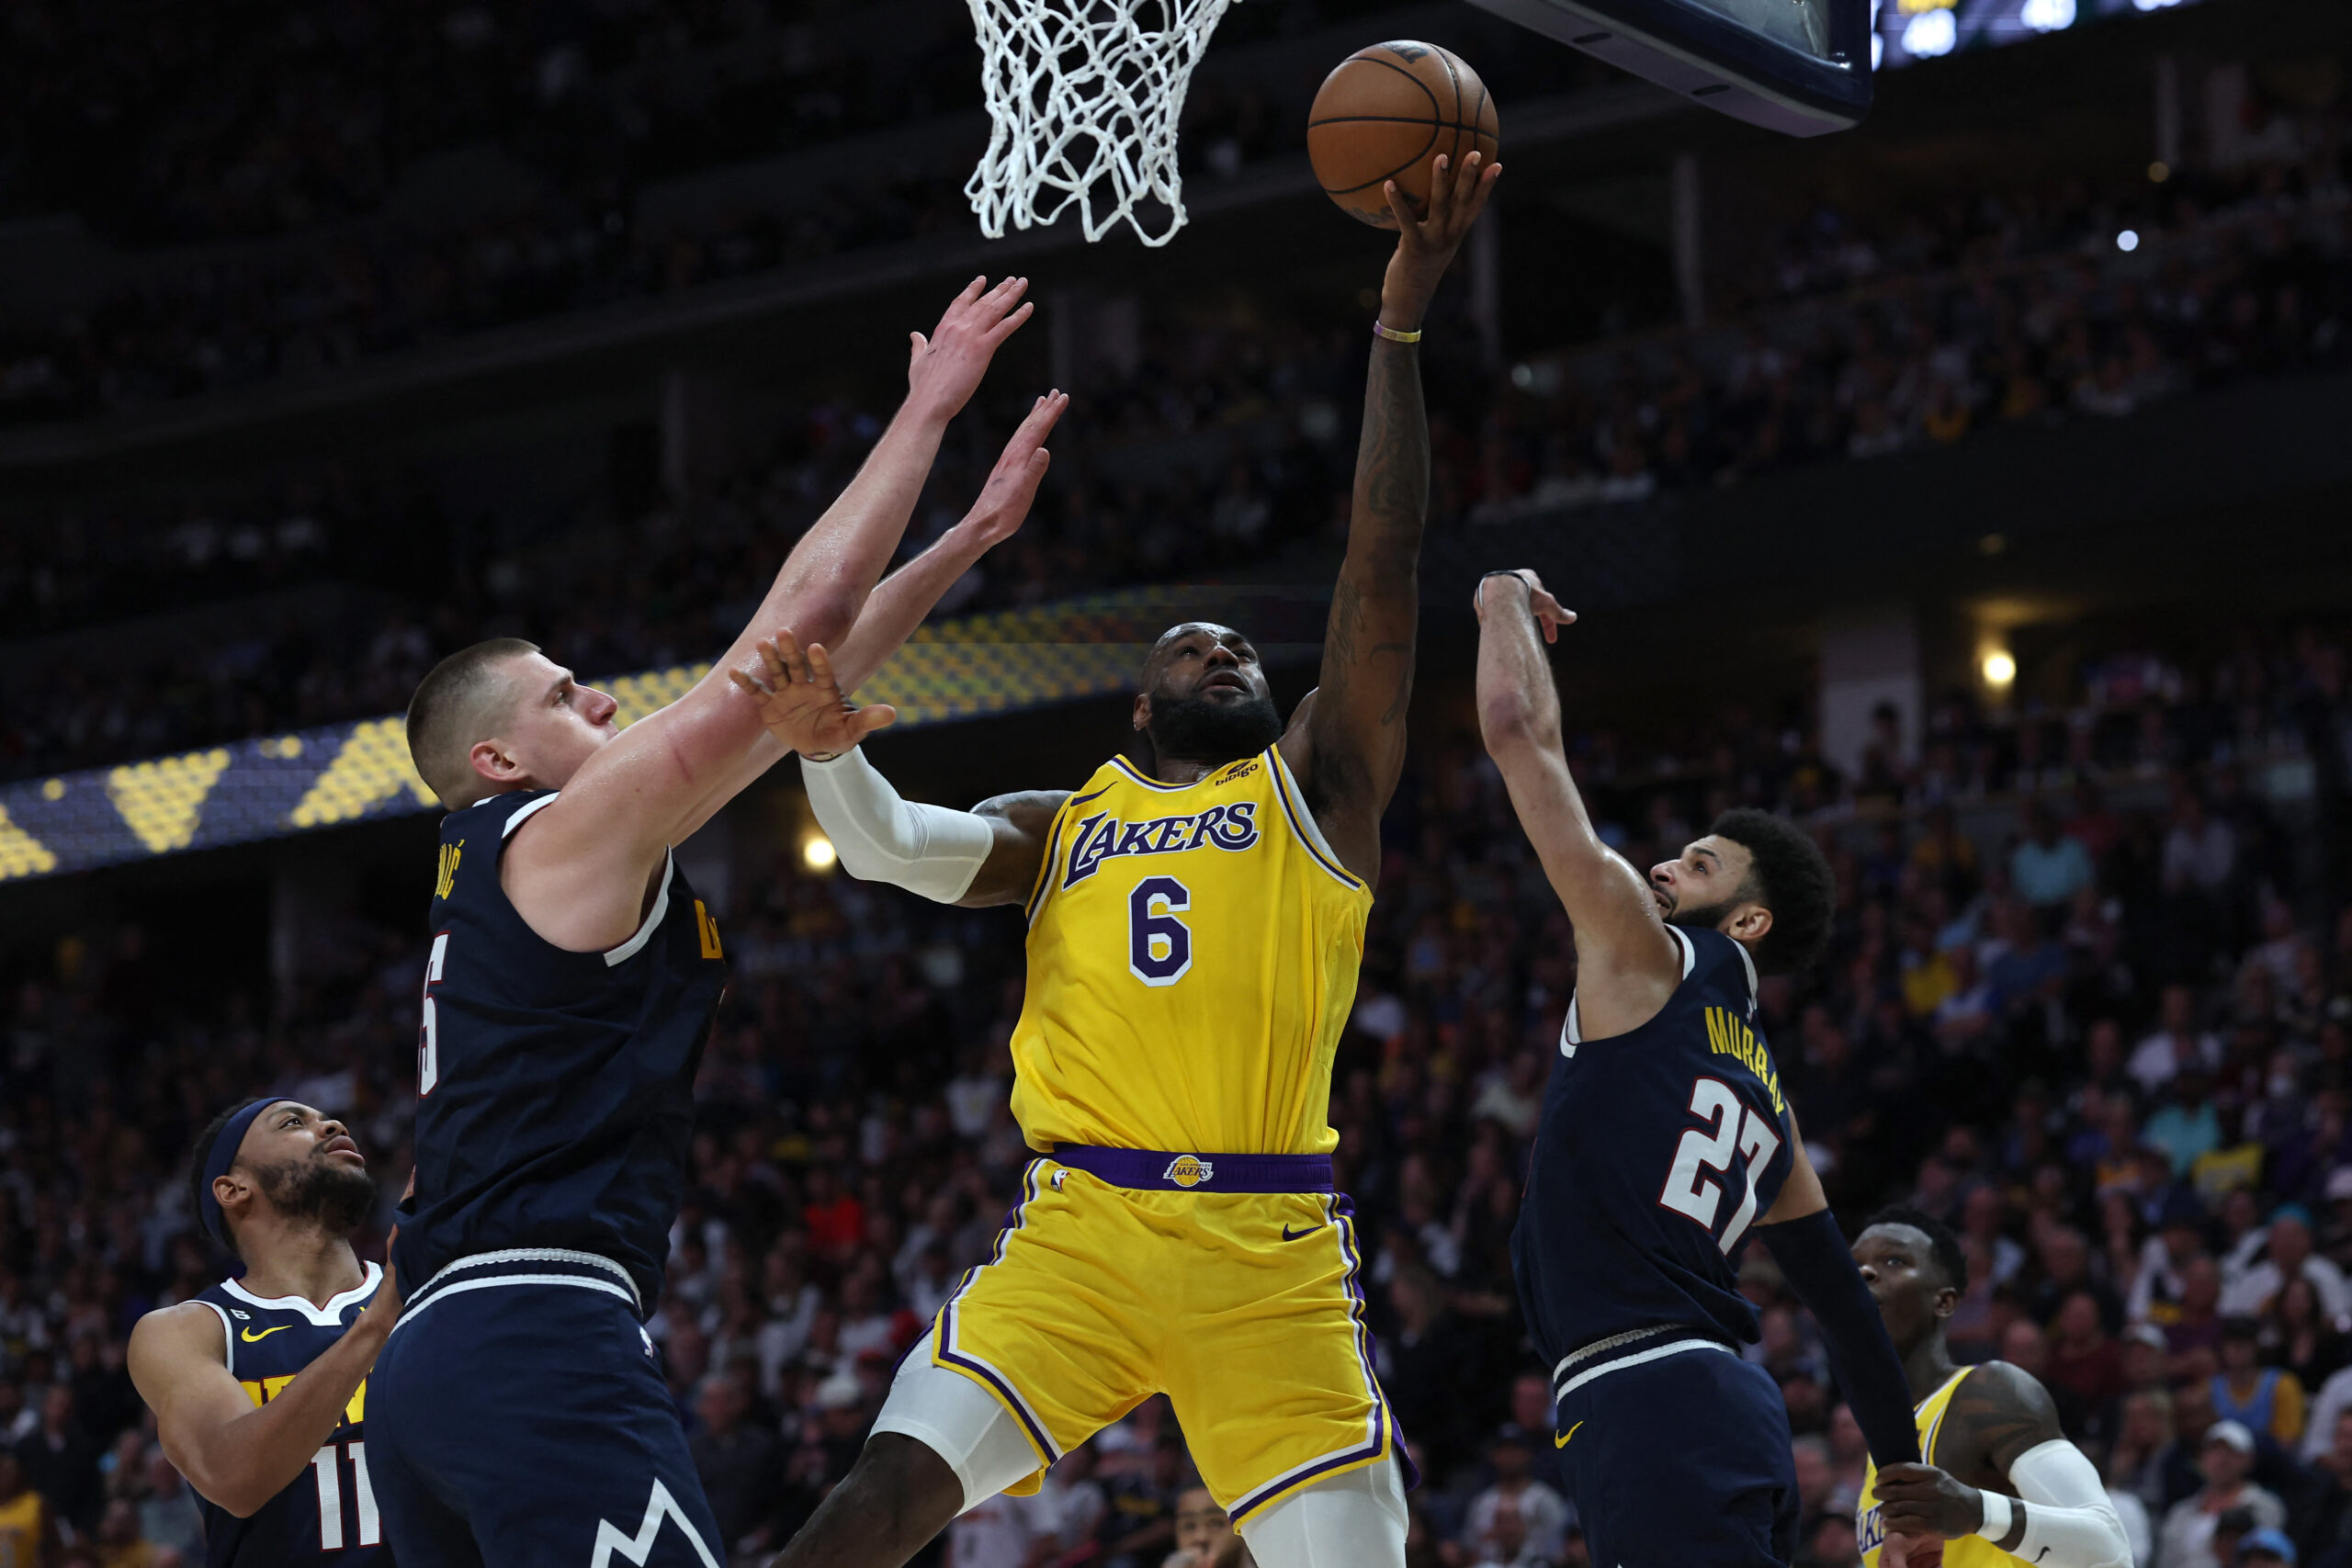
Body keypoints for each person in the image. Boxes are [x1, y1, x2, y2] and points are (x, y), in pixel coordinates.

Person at [749, 154, 1500, 1568]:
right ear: (1141, 707)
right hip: (1079, 1233)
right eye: (1194, 645)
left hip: (1267, 1252)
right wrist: (826, 750)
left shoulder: (1321, 785)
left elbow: (1382, 557)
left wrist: (1399, 326)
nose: (1228, 645)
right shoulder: (1062, 821)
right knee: (875, 1501)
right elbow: (893, 849)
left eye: (1243, 646)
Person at [372, 276, 1064, 1568]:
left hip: (440, 1363)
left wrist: (966, 539)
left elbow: (803, 682)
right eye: (565, 695)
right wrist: (924, 412)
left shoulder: (510, 866)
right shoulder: (553, 838)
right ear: (495, 758)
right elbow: (783, 638)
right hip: (533, 1332)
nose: (602, 696)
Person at [1468, 570, 1930, 1568]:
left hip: (1647, 1394)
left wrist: (1498, 599)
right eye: (1677, 852)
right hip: (1724, 1404)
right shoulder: (1773, 1105)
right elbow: (1848, 1316)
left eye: (1702, 864)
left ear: (1748, 922)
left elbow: (1516, 734)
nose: (1669, 866)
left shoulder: (1644, 958)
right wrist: (1903, 1485)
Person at [124, 1100, 394, 1567]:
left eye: (324, 1119)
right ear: (233, 1189)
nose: (332, 1123)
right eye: (294, 1123)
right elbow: (235, 1477)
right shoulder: (189, 1330)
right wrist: (379, 1321)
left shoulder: (424, 1293)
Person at [1848, 1207, 2132, 1567]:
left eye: (1893, 1260)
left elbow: (2111, 1548)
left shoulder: (1988, 1393)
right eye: (1853, 1264)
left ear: (1944, 1300)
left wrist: (1977, 1512)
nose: (1864, 1272)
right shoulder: (1880, 1438)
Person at [2153, 1422, 2286, 1568]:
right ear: (2202, 1458)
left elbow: (2268, 1559)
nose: (2222, 1459)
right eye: (2214, 1450)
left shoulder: (2263, 1506)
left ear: (2248, 1459)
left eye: (2231, 1452)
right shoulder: (2180, 1512)